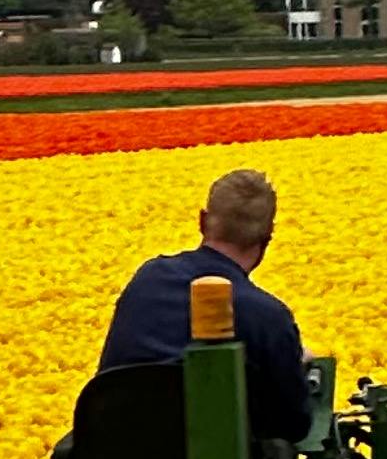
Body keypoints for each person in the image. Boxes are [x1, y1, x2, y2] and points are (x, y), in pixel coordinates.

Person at [97, 168, 310, 442]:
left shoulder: (147, 278)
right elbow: (295, 427)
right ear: (267, 237)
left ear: (203, 221)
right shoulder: (269, 319)